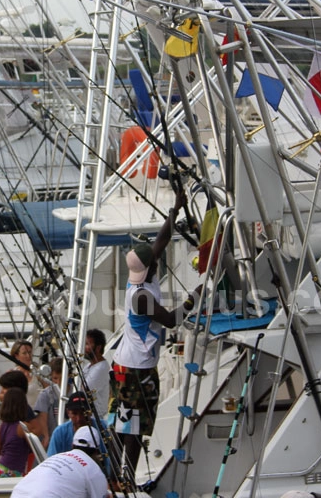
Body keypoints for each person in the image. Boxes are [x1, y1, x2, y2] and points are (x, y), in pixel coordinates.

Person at [110, 191, 200, 472]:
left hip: (128, 363)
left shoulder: (143, 270)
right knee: (134, 424)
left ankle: (117, 470)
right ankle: (126, 473)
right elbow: (173, 320)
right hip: (136, 368)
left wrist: (176, 208)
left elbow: (160, 241)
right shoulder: (141, 297)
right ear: (151, 266)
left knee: (125, 419)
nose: (158, 258)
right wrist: (195, 297)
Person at [10, 426, 110, 498]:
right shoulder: (94, 471)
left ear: (72, 445)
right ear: (97, 451)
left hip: (18, 492)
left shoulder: (56, 457)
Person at [0, 387, 39, 478]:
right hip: (15, 471)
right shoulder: (23, 427)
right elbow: (34, 446)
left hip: (1, 468)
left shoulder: (2, 426)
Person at [46, 392, 91, 456]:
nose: (79, 418)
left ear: (90, 412)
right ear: (68, 413)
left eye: (83, 413)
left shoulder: (102, 427)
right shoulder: (59, 432)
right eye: (74, 414)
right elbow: (51, 460)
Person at [83, 328, 111, 421]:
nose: (84, 347)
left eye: (87, 344)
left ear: (98, 347)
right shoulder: (88, 366)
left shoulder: (101, 368)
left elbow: (84, 390)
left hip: (95, 418)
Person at [34, 358, 64, 436]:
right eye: (55, 378)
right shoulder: (45, 395)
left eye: (62, 378)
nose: (59, 382)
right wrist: (46, 437)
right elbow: (42, 418)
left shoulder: (76, 392)